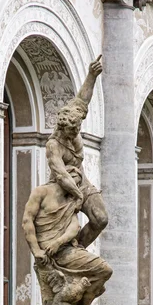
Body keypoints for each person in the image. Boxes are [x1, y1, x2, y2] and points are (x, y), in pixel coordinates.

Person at [22, 167, 112, 305]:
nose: (76, 185)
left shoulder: (70, 200)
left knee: (104, 270)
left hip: (65, 250)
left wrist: (59, 242)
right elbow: (27, 221)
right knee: (103, 270)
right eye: (74, 181)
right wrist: (36, 251)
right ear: (61, 177)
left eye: (78, 182)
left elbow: (74, 227)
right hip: (46, 253)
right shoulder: (40, 192)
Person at [46, 55, 108, 249]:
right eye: (72, 132)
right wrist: (77, 196)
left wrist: (92, 75)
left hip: (82, 182)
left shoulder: (73, 115)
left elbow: (83, 98)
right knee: (61, 232)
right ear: (62, 129)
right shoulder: (53, 146)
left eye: (78, 129)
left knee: (101, 219)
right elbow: (61, 176)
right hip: (61, 189)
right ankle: (64, 255)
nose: (75, 134)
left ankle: (76, 251)